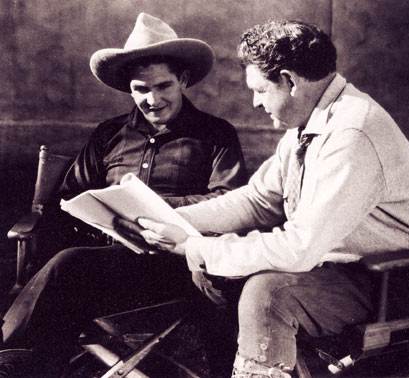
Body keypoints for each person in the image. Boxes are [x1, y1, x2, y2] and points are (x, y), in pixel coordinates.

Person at [130, 20, 409, 377]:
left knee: (268, 294)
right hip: (353, 270)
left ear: (290, 81)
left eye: (261, 91)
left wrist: (194, 246)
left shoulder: (352, 133)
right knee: (217, 270)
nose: (254, 102)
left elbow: (299, 247)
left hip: (403, 281)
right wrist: (178, 221)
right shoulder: (312, 121)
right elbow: (257, 200)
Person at [0, 13, 247, 377]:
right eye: (141, 89)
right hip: (108, 264)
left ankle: (11, 359)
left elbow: (230, 199)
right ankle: (29, 365)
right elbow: (70, 197)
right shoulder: (108, 134)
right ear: (128, 89)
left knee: (69, 269)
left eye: (163, 86)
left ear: (183, 80)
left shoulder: (215, 134)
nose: (153, 99)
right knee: (67, 279)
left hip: (175, 266)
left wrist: (157, 213)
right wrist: (110, 218)